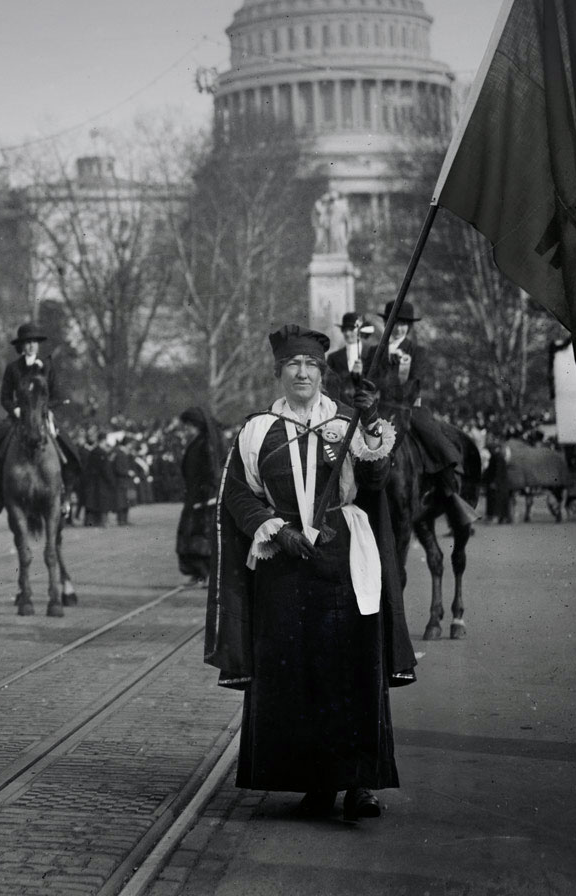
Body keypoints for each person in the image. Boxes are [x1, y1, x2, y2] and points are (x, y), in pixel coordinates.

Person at [205, 325, 416, 821]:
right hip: (283, 564)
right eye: (293, 366)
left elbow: (376, 478)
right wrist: (274, 529)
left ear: (324, 374)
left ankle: (361, 785)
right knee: (296, 673)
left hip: (343, 558)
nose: (303, 373)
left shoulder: (346, 425)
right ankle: (315, 783)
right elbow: (237, 493)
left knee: (353, 669)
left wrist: (367, 416)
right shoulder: (256, 430)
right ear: (278, 373)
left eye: (312, 366)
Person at [364, 300, 474, 513]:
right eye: (394, 322)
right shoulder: (375, 352)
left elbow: (415, 382)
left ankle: (449, 488)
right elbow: (369, 382)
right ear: (387, 324)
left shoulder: (417, 351)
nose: (398, 328)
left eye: (403, 324)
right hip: (381, 408)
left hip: (410, 408)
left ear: (409, 327)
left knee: (434, 437)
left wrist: (397, 391)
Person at [0, 323, 82, 513]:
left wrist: (47, 409)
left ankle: (65, 496)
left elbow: (57, 396)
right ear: (21, 346)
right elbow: (5, 397)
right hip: (19, 416)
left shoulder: (48, 366)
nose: (31, 346)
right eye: (27, 343)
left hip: (42, 415)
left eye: (34, 342)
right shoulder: (13, 368)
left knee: (69, 448)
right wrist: (15, 410)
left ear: (38, 345)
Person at [175, 406, 223, 583]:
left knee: (201, 535)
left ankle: (204, 573)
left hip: (204, 499)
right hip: (194, 496)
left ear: (197, 425)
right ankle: (198, 573)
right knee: (192, 534)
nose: (186, 429)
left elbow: (212, 473)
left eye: (188, 425)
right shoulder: (197, 443)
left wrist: (207, 496)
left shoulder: (206, 445)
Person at [324, 311, 374, 400]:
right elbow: (330, 385)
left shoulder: (371, 353)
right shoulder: (333, 358)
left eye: (351, 329)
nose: (347, 333)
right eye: (345, 330)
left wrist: (361, 374)